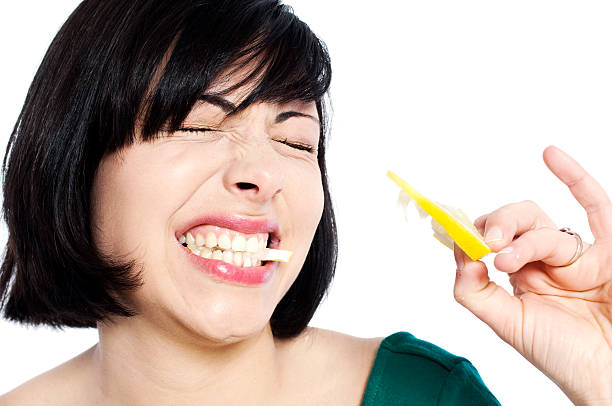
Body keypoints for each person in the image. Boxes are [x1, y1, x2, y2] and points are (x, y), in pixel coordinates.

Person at [0, 0, 610, 404]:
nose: (263, 174)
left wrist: (599, 375)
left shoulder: (421, 395)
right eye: (194, 125)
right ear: (73, 164)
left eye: (295, 141)